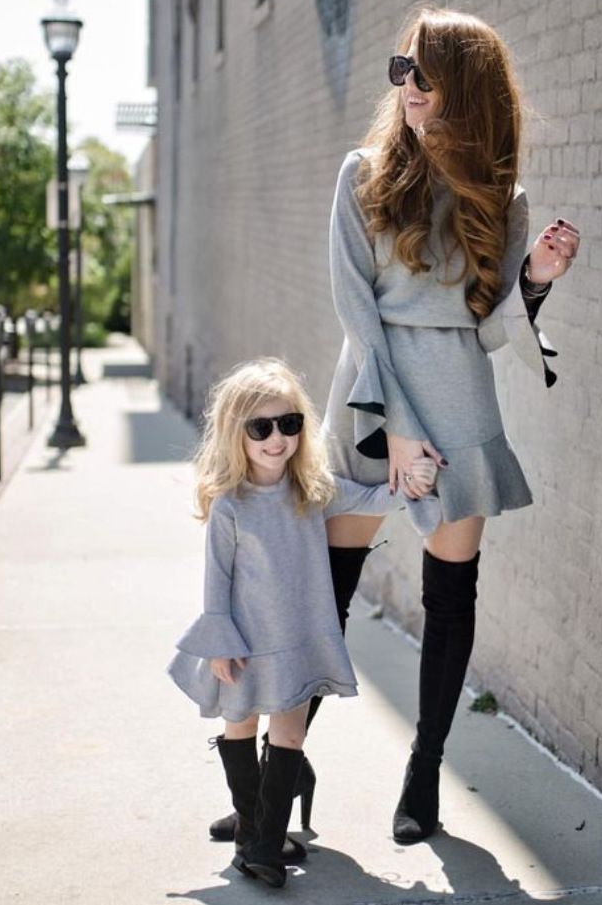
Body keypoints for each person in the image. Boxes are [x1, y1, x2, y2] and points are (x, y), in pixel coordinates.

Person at [321, 5, 581, 843]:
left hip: (459, 390)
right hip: (372, 385)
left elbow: (490, 326)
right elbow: (356, 311)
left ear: (462, 89)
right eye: (401, 72)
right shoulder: (362, 172)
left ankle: (423, 768)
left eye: (423, 75)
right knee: (323, 590)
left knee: (449, 597)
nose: (408, 89)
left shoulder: (503, 199)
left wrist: (534, 276)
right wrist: (394, 427)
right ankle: (278, 770)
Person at [167, 358, 440, 887]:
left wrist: (414, 479)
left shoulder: (313, 489)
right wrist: (220, 642)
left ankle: (267, 845)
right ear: (235, 433)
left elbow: (377, 498)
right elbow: (215, 584)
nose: (277, 439)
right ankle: (252, 831)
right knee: (240, 725)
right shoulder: (230, 506)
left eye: (289, 424)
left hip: (297, 641)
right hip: (245, 643)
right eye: (261, 428)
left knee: (289, 732)